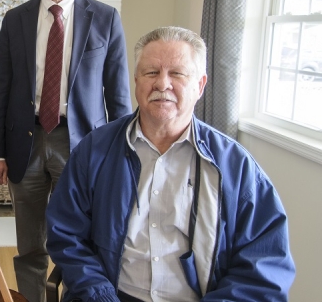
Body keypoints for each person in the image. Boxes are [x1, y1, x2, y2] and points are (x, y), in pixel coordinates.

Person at [46, 26, 295, 302]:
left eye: (177, 73)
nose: (162, 84)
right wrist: (100, 294)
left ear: (199, 85)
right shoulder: (95, 150)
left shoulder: (237, 168)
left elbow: (264, 269)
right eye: (151, 72)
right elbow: (65, 234)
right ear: (137, 80)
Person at [0, 0, 132, 302]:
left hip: (83, 144)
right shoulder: (14, 20)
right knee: (30, 241)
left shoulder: (105, 18)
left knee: (79, 238)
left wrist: (123, 154)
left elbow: (118, 95)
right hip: (26, 141)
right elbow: (1, 89)